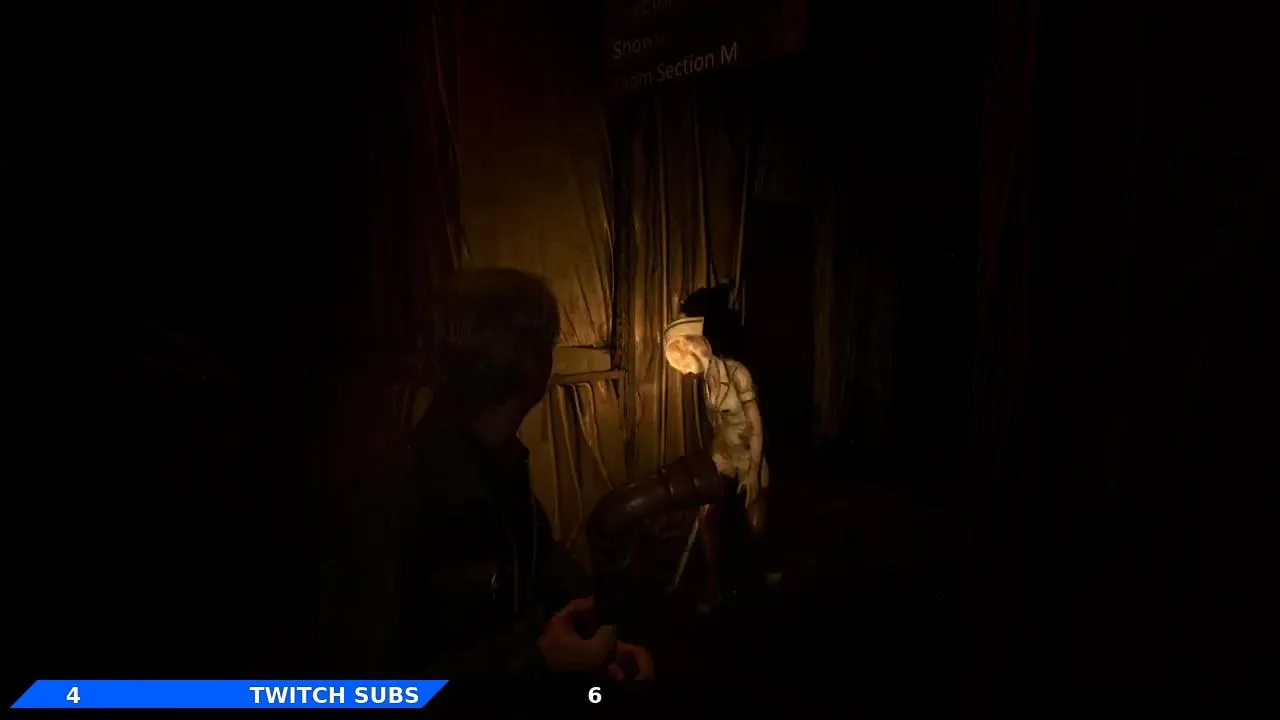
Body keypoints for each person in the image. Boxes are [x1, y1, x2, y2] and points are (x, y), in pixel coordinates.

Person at [324, 267, 652, 687]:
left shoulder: (502, 468)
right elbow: (366, 691)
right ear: (532, 367)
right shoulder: (385, 503)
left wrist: (598, 641)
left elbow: (541, 574)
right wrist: (535, 660)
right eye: (548, 344)